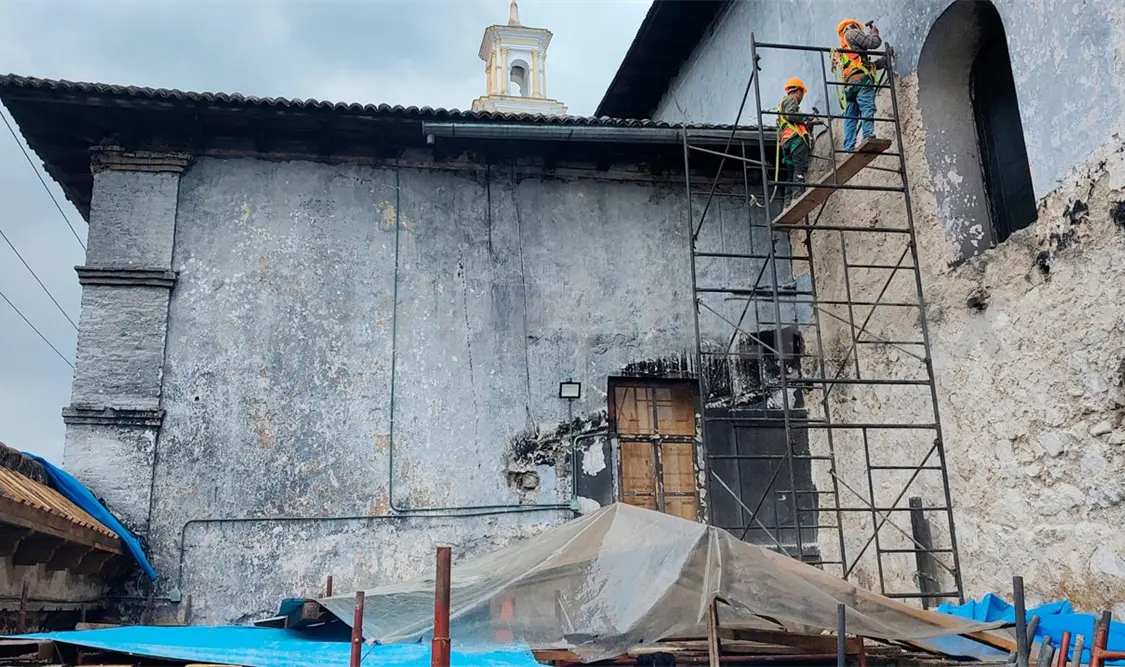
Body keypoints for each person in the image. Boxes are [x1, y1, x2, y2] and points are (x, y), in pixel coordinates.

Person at [832, 19, 890, 151]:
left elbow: (867, 66)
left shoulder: (843, 49)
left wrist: (884, 60)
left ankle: (848, 147)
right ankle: (868, 134)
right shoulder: (852, 33)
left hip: (850, 85)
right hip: (861, 81)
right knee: (866, 107)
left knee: (851, 116)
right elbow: (873, 43)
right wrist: (874, 33)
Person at [776, 77, 821, 210]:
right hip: (795, 141)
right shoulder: (791, 100)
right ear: (798, 91)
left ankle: (787, 203)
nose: (801, 97)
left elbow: (787, 121)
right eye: (802, 94)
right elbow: (791, 115)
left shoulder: (780, 106)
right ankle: (797, 197)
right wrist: (806, 117)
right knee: (799, 169)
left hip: (786, 144)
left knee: (790, 174)